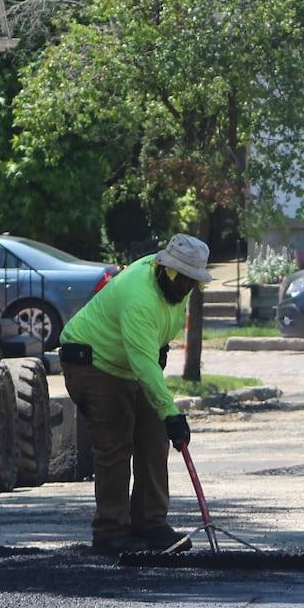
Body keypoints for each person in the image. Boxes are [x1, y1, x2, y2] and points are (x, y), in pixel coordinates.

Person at [59, 234, 211, 555]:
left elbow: (151, 351)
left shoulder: (178, 287)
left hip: (128, 361)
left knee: (154, 439)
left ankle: (151, 523)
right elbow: (144, 363)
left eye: (192, 282)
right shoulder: (139, 295)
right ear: (164, 268)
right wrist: (172, 414)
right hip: (93, 360)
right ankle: (110, 531)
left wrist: (164, 415)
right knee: (115, 443)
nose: (185, 287)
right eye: (181, 278)